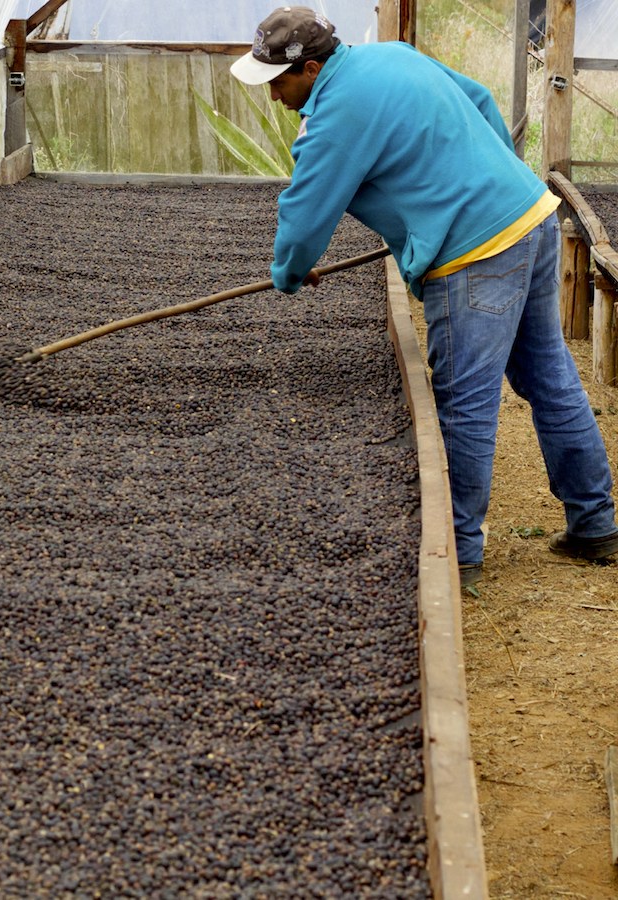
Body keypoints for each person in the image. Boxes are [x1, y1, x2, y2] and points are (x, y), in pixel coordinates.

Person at [230, 6, 618, 587]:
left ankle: (456, 555)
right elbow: (483, 99)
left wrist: (289, 273)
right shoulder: (390, 56)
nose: (274, 96)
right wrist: (497, 180)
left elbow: (306, 216)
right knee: (550, 379)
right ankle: (596, 525)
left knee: (465, 402)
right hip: (531, 218)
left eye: (278, 82)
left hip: (475, 256)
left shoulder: (335, 114)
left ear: (310, 68)